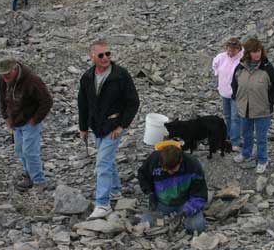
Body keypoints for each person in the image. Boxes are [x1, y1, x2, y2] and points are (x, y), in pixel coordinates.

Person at [78, 39, 140, 219]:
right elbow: (82, 103)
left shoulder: (121, 75)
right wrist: (83, 127)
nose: (106, 58)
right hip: (97, 126)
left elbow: (133, 102)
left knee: (102, 164)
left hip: (113, 127)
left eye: (108, 54)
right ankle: (115, 191)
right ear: (92, 57)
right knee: (107, 160)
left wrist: (122, 125)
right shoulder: (87, 77)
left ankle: (103, 204)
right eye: (101, 55)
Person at [0, 58, 53, 191]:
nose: (5, 78)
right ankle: (29, 176)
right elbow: (3, 99)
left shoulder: (32, 80)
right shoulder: (4, 80)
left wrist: (35, 119)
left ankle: (39, 181)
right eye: (2, 75)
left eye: (7, 74)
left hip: (30, 122)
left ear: (15, 69)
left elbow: (47, 101)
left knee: (30, 152)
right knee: (20, 150)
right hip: (15, 121)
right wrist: (6, 117)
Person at [231, 38, 274, 174]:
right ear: (248, 53)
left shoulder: (267, 68)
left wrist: (270, 102)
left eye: (259, 51)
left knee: (261, 138)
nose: (257, 54)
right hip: (244, 109)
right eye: (254, 51)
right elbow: (234, 84)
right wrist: (238, 99)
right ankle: (246, 154)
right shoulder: (240, 67)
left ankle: (262, 160)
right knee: (246, 134)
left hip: (262, 111)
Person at [138, 141, 207, 234]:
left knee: (197, 227)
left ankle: (182, 219)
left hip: (185, 204)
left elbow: (200, 194)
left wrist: (187, 211)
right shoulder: (154, 159)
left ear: (180, 161)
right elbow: (142, 175)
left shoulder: (192, 164)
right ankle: (163, 220)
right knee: (146, 224)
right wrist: (150, 193)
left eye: (173, 169)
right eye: (166, 170)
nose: (170, 172)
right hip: (161, 204)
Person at [212, 38, 244, 152]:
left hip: (237, 93)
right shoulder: (221, 57)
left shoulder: (243, 59)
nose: (230, 53)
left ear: (238, 49)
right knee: (227, 115)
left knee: (236, 117)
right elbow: (214, 64)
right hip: (224, 91)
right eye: (229, 50)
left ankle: (235, 141)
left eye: (233, 51)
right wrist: (217, 73)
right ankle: (230, 135)